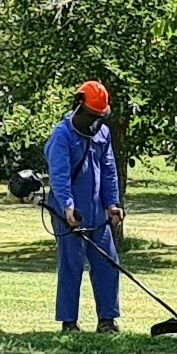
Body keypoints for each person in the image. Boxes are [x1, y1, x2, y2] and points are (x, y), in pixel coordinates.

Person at [45, 80, 127, 331]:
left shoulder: (102, 133)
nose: (95, 121)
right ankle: (69, 322)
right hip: (68, 212)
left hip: (96, 213)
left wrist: (112, 203)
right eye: (92, 116)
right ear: (80, 107)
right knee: (72, 265)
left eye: (100, 117)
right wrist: (68, 207)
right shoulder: (62, 135)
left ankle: (107, 320)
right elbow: (59, 176)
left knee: (108, 263)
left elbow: (109, 170)